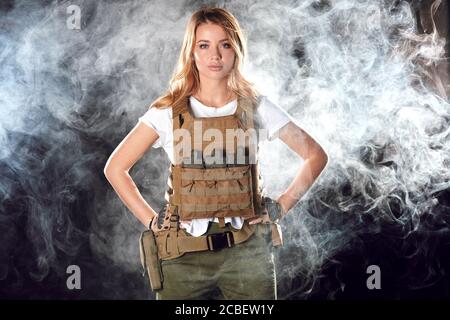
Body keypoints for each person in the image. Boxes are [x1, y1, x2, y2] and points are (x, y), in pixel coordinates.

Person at [104, 6, 328, 300]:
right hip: (183, 256)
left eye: (225, 45)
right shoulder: (168, 111)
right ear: (191, 52)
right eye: (204, 45)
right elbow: (115, 168)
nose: (215, 55)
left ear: (236, 51)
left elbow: (316, 155)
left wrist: (282, 206)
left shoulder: (256, 106)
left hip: (246, 253)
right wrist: (151, 221)